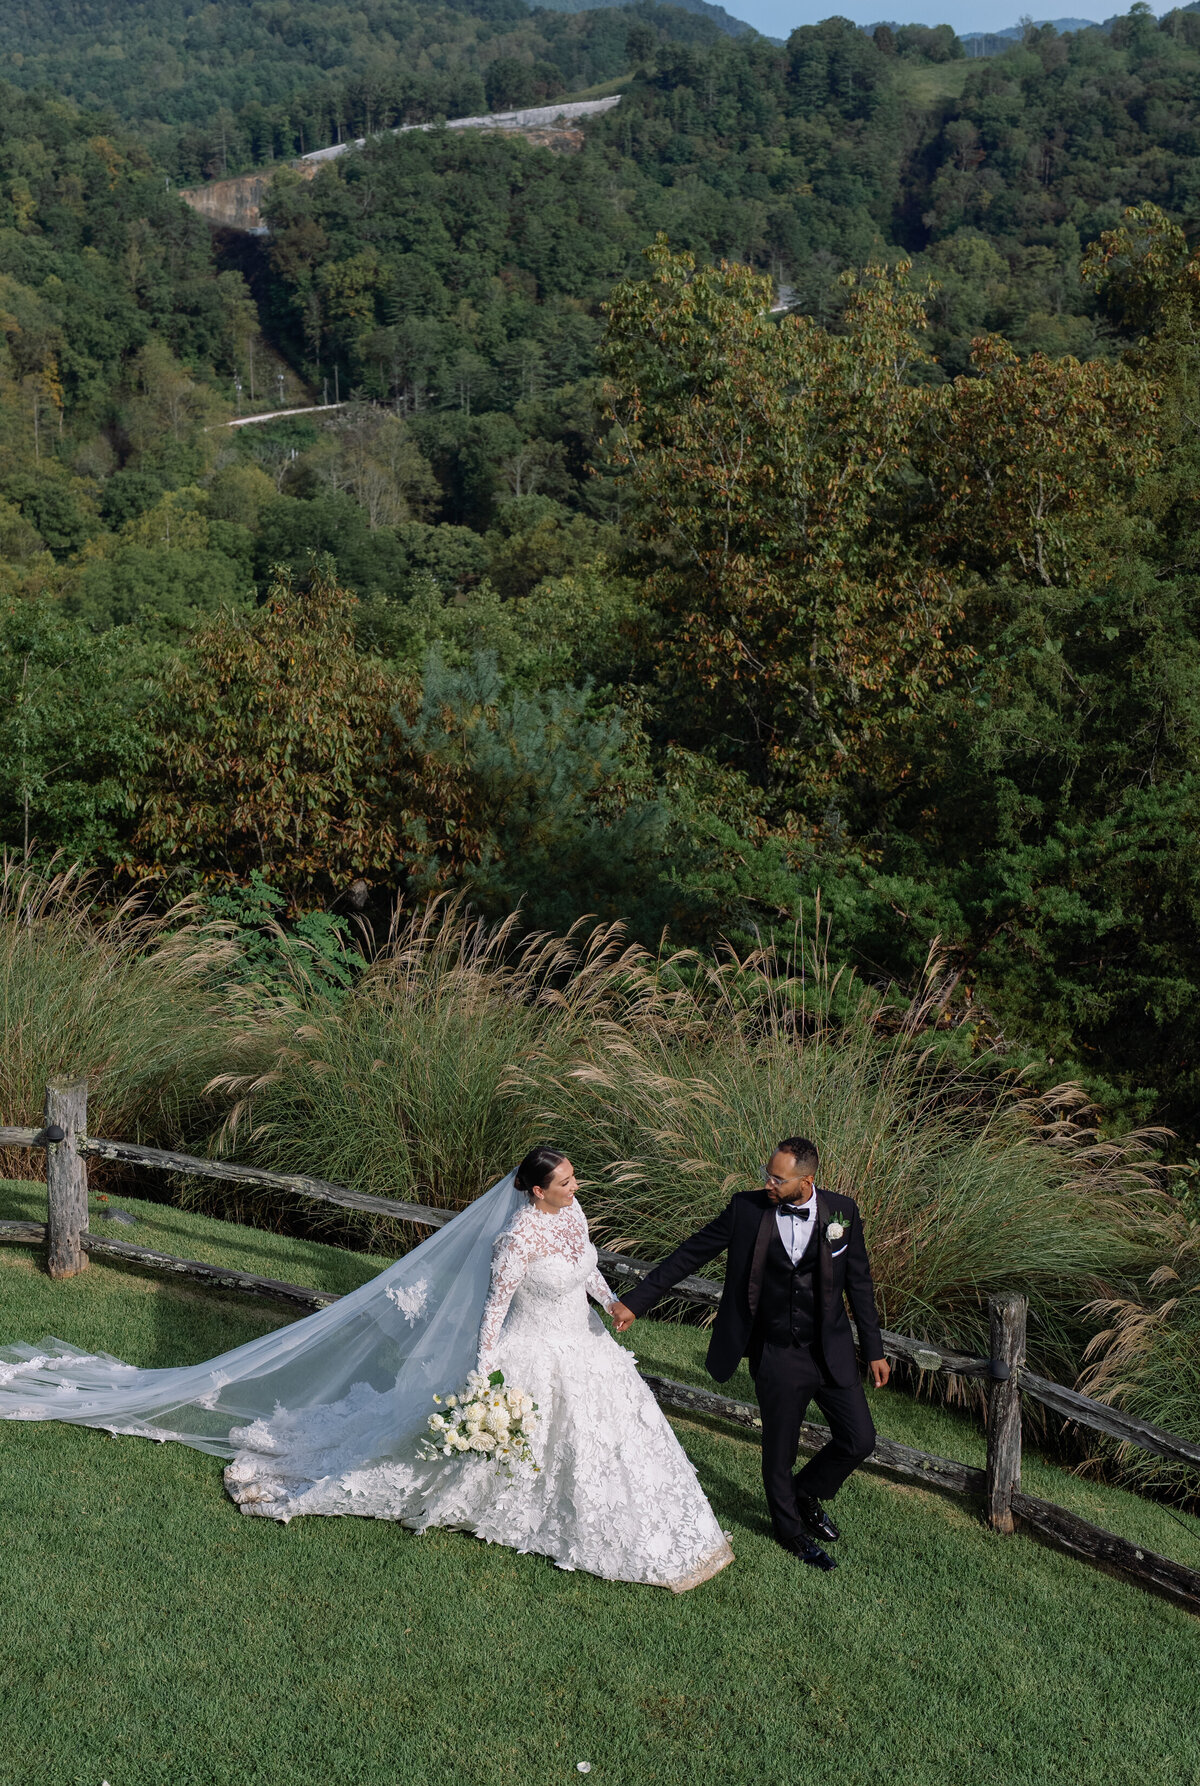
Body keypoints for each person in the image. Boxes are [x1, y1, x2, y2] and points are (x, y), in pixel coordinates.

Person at [0, 1147, 732, 1594]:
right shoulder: (512, 1240)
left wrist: (615, 1307)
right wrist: (486, 1379)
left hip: (589, 1349)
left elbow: (586, 1270)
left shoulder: (574, 1218)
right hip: (531, 1354)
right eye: (565, 1181)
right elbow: (491, 1311)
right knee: (506, 1447)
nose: (576, 1186)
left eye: (574, 1177)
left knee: (612, 1443)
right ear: (536, 1190)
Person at [611, 1136, 889, 1571]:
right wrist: (637, 1301)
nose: (768, 1183)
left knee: (859, 1439)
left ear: (807, 1180)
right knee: (779, 1449)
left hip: (829, 1348)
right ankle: (791, 1531)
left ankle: (805, 1493)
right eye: (767, 1173)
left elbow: (860, 1283)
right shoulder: (747, 1209)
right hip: (777, 1349)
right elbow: (690, 1254)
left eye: (778, 1178)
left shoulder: (842, 1212)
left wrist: (874, 1348)